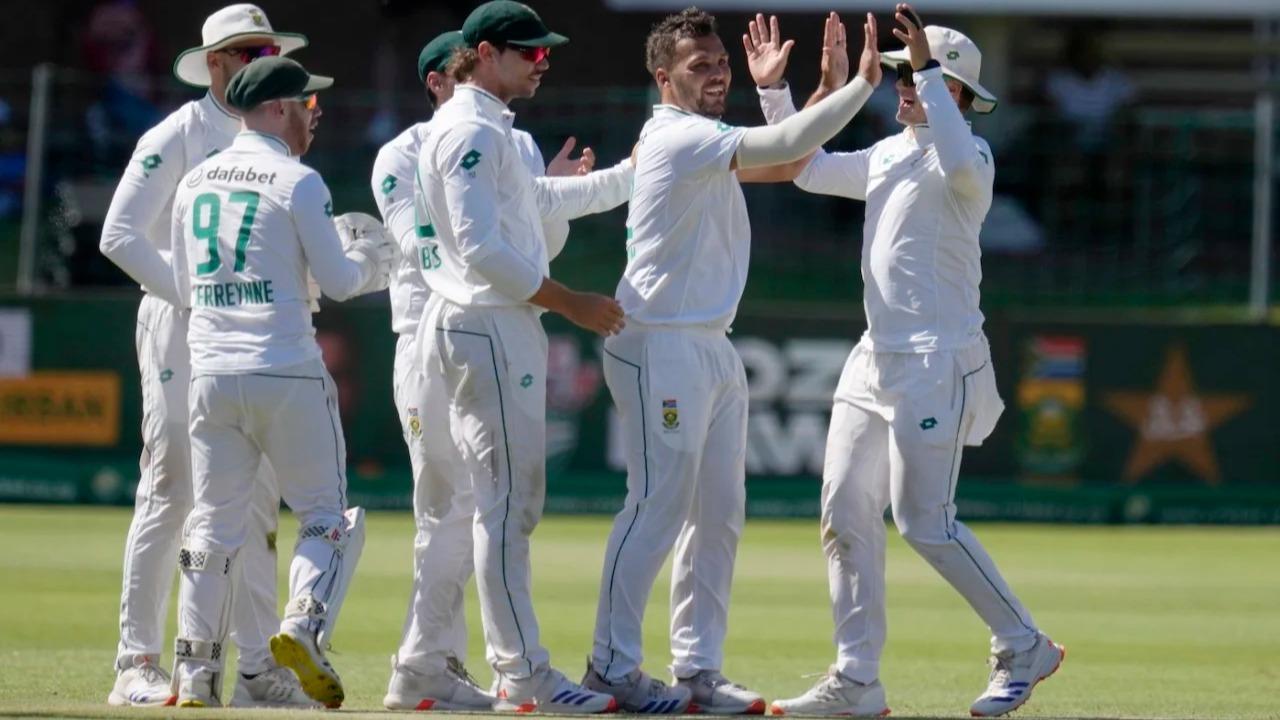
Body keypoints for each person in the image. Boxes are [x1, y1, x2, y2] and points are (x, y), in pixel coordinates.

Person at [753, 5, 1064, 717]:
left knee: (926, 521)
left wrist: (927, 67)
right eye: (899, 76)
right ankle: (857, 679)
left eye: (919, 79)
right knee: (842, 512)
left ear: (955, 93)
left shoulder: (972, 158)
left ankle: (1023, 644)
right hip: (873, 359)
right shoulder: (890, 153)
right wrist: (776, 95)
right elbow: (805, 171)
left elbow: (955, 158)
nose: (903, 87)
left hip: (939, 359)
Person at [582, 6, 881, 714]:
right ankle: (611, 667)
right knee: (656, 507)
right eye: (699, 66)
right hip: (658, 341)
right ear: (664, 78)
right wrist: (859, 87)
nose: (716, 75)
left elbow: (788, 160)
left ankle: (697, 672)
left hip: (709, 344)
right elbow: (782, 142)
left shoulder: (710, 141)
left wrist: (815, 93)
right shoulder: (676, 137)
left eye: (720, 64)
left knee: (717, 516)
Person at [374, 29, 632, 712]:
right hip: (474, 322)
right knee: (492, 509)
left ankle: (425, 666)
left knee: (484, 509)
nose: (542, 64)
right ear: (483, 55)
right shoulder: (463, 134)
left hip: (485, 321)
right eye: (531, 52)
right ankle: (521, 673)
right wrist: (569, 301)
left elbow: (543, 209)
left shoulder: (497, 133)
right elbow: (478, 250)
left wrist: (638, 171)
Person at [97, 4, 313, 707]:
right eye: (248, 51)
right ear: (214, 62)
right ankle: (135, 660)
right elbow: (121, 235)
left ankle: (254, 668)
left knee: (254, 499)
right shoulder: (177, 134)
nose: (261, 59)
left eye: (268, 49)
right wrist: (198, 295)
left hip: (250, 330)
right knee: (172, 488)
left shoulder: (275, 134)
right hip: (179, 323)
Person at [167, 56, 395, 708]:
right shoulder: (298, 181)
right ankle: (300, 625)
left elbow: (186, 290)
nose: (313, 117)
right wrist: (373, 258)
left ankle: (194, 674)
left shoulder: (195, 181)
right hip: (286, 369)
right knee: (327, 518)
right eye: (307, 105)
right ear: (276, 108)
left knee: (211, 527)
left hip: (211, 372)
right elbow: (345, 281)